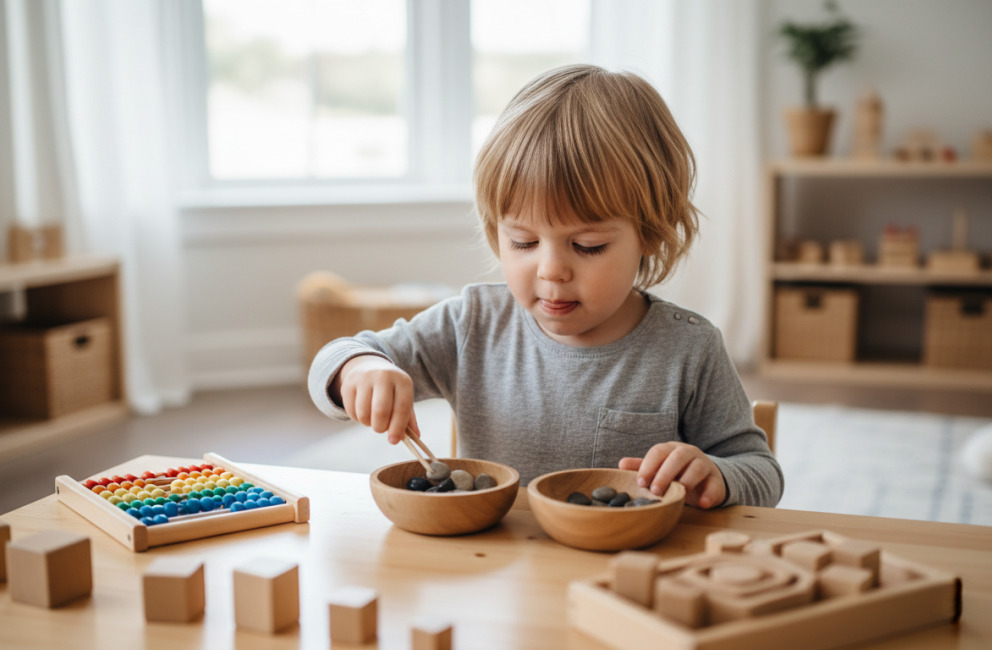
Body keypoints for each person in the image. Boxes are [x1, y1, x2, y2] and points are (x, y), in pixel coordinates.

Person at [308, 64, 782, 509]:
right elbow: (332, 360)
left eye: (589, 245)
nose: (551, 270)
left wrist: (715, 475)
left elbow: (761, 473)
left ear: (651, 234)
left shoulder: (688, 348)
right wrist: (359, 368)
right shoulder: (473, 324)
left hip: (626, 572)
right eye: (524, 241)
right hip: (500, 572)